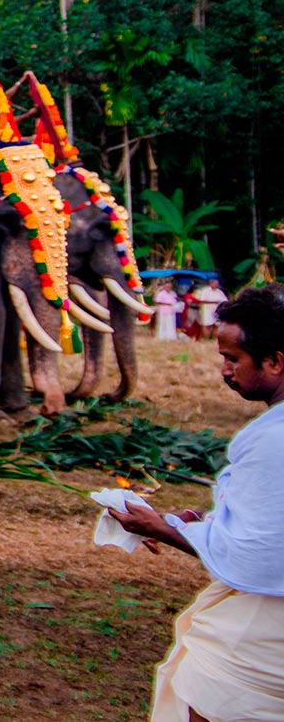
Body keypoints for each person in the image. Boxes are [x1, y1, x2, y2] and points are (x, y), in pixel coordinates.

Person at [107, 286, 284, 721]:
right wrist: (208, 520)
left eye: (233, 359)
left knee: (211, 694)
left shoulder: (275, 441)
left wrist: (164, 529)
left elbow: (261, 555)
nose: (224, 371)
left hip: (264, 625)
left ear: (275, 361)